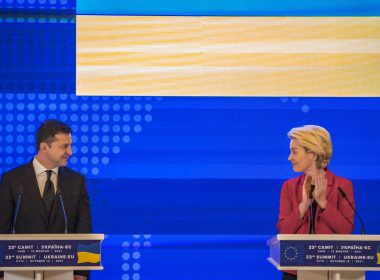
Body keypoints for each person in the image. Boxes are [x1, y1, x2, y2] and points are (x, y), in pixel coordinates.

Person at [0, 120, 92, 280]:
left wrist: (81, 272)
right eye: (64, 146)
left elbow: (83, 229)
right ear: (44, 147)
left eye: (70, 145)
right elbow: (2, 228)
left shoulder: (77, 181)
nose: (70, 152)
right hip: (19, 272)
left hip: (64, 272)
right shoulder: (12, 180)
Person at [277, 125, 355, 280]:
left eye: (294, 152)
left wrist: (324, 203)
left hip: (332, 270)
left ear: (313, 154)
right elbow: (283, 231)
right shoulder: (289, 187)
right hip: (294, 271)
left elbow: (346, 230)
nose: (289, 157)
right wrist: (303, 206)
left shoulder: (343, 186)